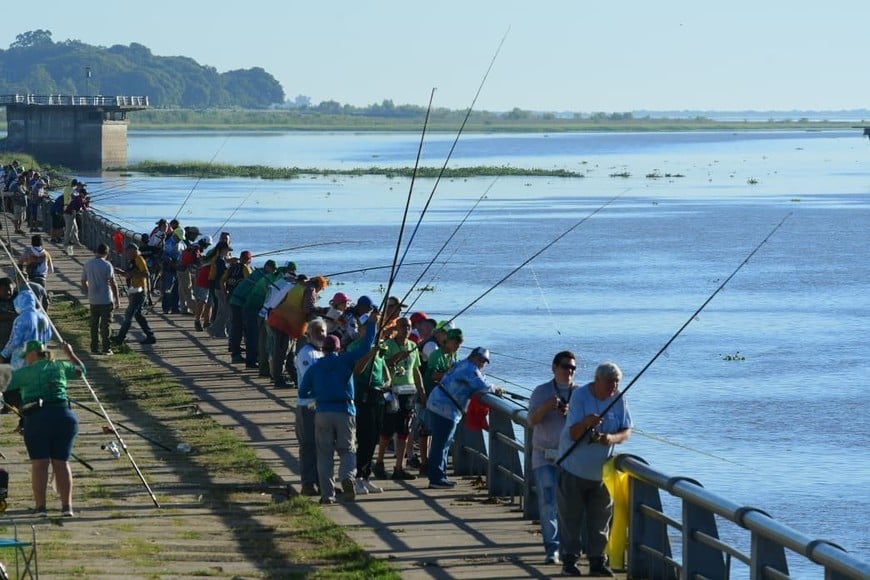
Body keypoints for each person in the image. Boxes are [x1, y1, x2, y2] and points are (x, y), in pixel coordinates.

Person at [556, 362, 632, 577]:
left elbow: (627, 430)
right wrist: (587, 423)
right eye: (609, 382)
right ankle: (569, 561)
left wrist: (611, 438)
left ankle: (598, 560)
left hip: (603, 472)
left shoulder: (619, 398)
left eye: (616, 382)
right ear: (597, 380)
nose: (613, 386)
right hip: (573, 469)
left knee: (601, 518)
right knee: (570, 518)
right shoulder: (580, 396)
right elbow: (573, 434)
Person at [298, 312, 378, 504]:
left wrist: (319, 394)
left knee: (324, 455)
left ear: (323, 349)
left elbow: (302, 393)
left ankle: (327, 495)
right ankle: (347, 478)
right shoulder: (346, 359)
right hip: (345, 410)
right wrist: (373, 325)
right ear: (339, 348)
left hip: (323, 412)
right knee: (347, 450)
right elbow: (366, 346)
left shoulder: (315, 367)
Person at [4, 340, 84, 517]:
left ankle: (41, 508)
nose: (26, 360)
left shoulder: (25, 372)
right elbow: (81, 371)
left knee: (40, 464)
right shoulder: (60, 366)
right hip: (64, 417)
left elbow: (5, 383)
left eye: (27, 357)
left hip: (38, 418)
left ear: (33, 354)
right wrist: (70, 353)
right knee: (62, 463)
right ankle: (66, 507)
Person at [425, 347, 502, 489]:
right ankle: (436, 478)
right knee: (441, 444)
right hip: (445, 408)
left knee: (443, 443)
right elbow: (482, 386)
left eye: (485, 361)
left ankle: (440, 475)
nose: (482, 363)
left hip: (439, 403)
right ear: (473, 356)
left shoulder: (462, 364)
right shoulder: (469, 369)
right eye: (480, 359)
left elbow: (480, 379)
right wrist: (495, 388)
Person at [528, 350, 578, 566]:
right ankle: (552, 548)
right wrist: (546, 407)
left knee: (570, 506)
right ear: (554, 367)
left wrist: (569, 413)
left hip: (571, 458)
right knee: (548, 502)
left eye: (573, 368)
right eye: (566, 366)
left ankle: (570, 548)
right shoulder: (541, 391)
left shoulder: (580, 393)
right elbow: (531, 420)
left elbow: (586, 424)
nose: (569, 371)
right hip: (544, 456)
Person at [374, 316, 424, 481]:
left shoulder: (413, 346)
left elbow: (416, 371)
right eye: (403, 326)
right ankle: (379, 463)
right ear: (397, 327)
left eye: (409, 327)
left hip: (408, 392)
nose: (407, 329)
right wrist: (396, 357)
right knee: (387, 429)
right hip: (392, 391)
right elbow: (381, 364)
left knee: (405, 430)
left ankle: (398, 467)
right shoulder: (388, 345)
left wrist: (422, 392)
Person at [293, 318, 327, 497]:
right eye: (318, 331)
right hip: (307, 406)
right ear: (309, 334)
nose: (321, 335)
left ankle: (323, 483)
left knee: (322, 446)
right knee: (308, 445)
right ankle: (307, 483)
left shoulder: (323, 353)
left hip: (322, 406)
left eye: (323, 331)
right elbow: (310, 380)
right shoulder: (306, 353)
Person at [113, 243, 156, 345]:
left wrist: (132, 274)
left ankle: (120, 337)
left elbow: (146, 274)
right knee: (138, 315)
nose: (126, 255)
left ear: (133, 251)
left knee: (129, 314)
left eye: (127, 252)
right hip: (136, 290)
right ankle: (150, 336)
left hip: (140, 291)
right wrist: (120, 272)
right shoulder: (133, 261)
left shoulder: (139, 259)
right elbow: (130, 275)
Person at [81, 244, 120, 355]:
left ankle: (94, 348)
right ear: (106, 253)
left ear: (96, 251)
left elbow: (83, 281)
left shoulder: (88, 264)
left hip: (93, 299)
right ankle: (106, 348)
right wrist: (117, 299)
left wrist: (88, 291)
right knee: (105, 325)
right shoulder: (107, 265)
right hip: (106, 299)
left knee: (94, 324)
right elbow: (113, 283)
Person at [0, 290, 53, 369]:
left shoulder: (21, 318)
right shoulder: (43, 317)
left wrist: (3, 355)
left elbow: (15, 341)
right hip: (40, 356)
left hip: (23, 359)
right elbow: (48, 335)